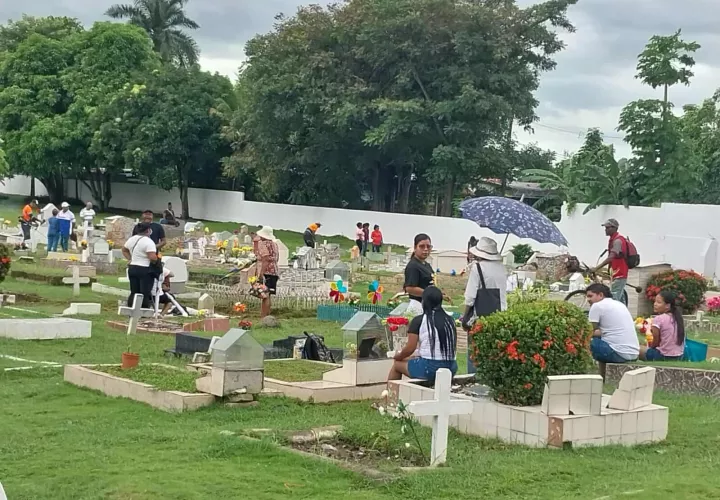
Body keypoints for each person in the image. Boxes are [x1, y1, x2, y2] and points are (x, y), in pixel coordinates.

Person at [387, 286, 458, 382]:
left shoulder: (419, 320)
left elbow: (410, 348)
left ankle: (390, 395)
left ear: (424, 301)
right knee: (413, 361)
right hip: (451, 367)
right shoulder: (450, 320)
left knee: (397, 365)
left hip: (429, 368)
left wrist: (398, 356)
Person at [462, 237, 508, 373]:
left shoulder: (477, 268)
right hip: (499, 315)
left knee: (474, 354)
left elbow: (470, 297)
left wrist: (465, 317)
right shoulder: (502, 268)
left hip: (479, 316)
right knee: (492, 354)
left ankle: (473, 378)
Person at [586, 283, 640, 380]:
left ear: (601, 295)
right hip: (634, 353)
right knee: (601, 341)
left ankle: (579, 373)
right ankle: (601, 378)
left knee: (583, 340)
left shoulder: (597, 306)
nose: (588, 300)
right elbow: (604, 332)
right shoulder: (619, 304)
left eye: (590, 296)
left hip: (617, 352)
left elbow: (589, 331)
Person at [640, 291, 685, 362]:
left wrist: (650, 348)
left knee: (637, 349)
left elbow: (656, 341)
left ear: (667, 305)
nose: (655, 304)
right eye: (655, 302)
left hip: (663, 356)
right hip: (679, 356)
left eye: (659, 302)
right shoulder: (678, 318)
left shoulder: (658, 319)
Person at [122, 222, 159, 309]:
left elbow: (124, 250)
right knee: (144, 292)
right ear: (148, 230)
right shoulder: (148, 242)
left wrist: (130, 259)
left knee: (134, 291)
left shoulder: (132, 239)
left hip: (132, 267)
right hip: (144, 269)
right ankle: (143, 310)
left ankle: (131, 309)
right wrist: (157, 261)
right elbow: (152, 257)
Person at [593, 219, 628, 302]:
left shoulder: (618, 241)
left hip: (620, 273)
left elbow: (611, 257)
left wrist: (596, 268)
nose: (605, 229)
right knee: (620, 299)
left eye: (607, 227)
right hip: (616, 272)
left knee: (614, 299)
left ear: (614, 228)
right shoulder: (614, 239)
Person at [404, 233, 437, 315]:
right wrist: (430, 294)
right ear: (415, 248)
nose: (426, 249)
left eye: (428, 247)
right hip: (417, 306)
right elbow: (410, 288)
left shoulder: (426, 265)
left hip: (427, 304)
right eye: (422, 246)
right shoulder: (413, 266)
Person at [256, 226, 279, 318]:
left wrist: (261, 273)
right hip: (275, 270)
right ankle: (268, 314)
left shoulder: (263, 244)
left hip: (267, 271)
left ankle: (263, 316)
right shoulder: (275, 244)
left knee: (265, 294)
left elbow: (265, 259)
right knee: (269, 294)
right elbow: (277, 258)